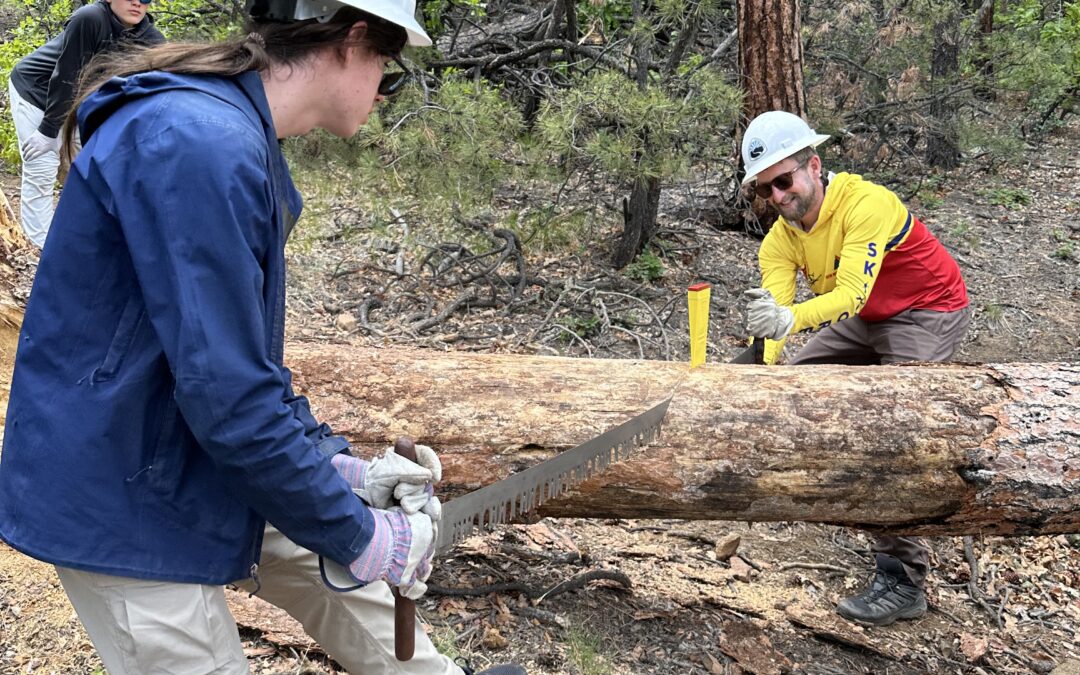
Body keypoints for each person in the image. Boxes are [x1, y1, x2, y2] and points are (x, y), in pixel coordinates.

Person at [0, 0, 524, 673]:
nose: (383, 93)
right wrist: (364, 532)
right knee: (337, 552)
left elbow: (234, 369)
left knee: (337, 561)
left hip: (175, 443)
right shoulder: (198, 144)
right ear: (352, 39)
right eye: (387, 72)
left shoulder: (230, 133)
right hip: (118, 487)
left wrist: (343, 473)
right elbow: (231, 400)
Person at [739, 110, 971, 627]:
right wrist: (764, 363)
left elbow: (850, 293)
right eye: (764, 189)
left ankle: (903, 579)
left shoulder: (865, 203)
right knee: (797, 385)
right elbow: (778, 319)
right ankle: (824, 489)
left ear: (814, 166)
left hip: (927, 310)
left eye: (784, 179)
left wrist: (790, 317)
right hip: (866, 318)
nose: (777, 196)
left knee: (895, 429)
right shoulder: (780, 239)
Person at [7, 0, 165, 247]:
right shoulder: (90, 18)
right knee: (43, 165)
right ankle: (40, 248)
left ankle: (77, 239)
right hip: (36, 90)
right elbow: (67, 76)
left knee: (81, 168)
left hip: (76, 102)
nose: (137, 2)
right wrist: (49, 132)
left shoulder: (151, 40)